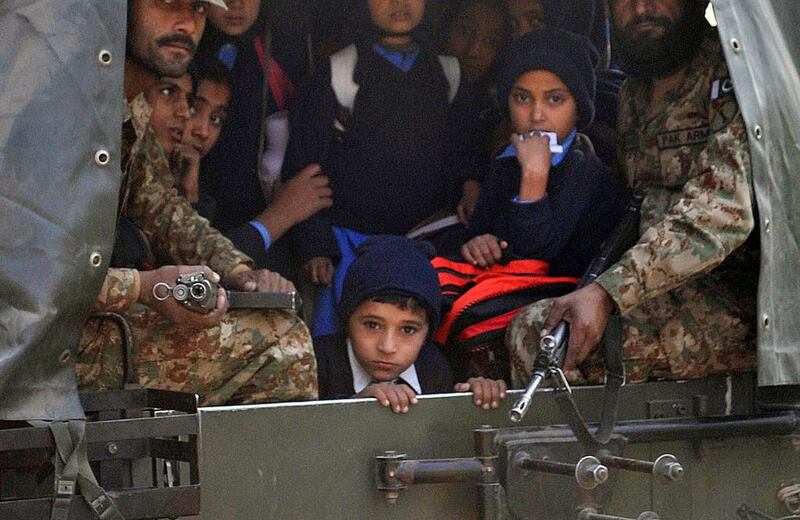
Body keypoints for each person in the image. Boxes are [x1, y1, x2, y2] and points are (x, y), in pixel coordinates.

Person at [76, 0, 318, 406]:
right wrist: (145, 287)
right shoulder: (65, 106)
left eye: (199, 8)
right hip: (36, 348)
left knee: (276, 318)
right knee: (281, 345)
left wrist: (237, 270)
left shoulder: (127, 106)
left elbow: (165, 211)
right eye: (166, 3)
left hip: (76, 329)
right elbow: (30, 275)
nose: (186, 22)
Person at [506, 0, 758, 387]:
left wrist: (607, 293)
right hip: (654, 289)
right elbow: (630, 207)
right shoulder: (634, 93)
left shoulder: (736, 73)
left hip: (738, 305)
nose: (641, 8)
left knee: (536, 336)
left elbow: (723, 214)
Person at [283, 0, 483, 337]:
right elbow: (304, 167)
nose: (400, 4)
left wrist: (471, 181)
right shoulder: (338, 73)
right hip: (348, 244)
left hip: (427, 241)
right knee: (347, 339)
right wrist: (316, 245)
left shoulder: (449, 74)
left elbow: (466, 148)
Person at [462, 27, 624, 278]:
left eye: (555, 99)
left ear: (579, 109)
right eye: (522, 98)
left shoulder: (585, 170)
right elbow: (479, 230)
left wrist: (534, 179)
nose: (537, 116)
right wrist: (480, 244)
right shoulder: (505, 159)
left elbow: (534, 255)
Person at [170, 57, 333, 273]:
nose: (203, 131)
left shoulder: (201, 181)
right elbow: (197, 272)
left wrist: (190, 194)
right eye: (193, 109)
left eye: (216, 119)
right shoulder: (136, 172)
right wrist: (282, 214)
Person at [315, 236, 507, 413]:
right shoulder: (314, 364)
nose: (387, 347)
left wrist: (476, 398)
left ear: (427, 335)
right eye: (372, 325)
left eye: (408, 330)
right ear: (347, 320)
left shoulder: (435, 367)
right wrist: (356, 407)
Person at [195, 0, 316, 280]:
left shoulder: (282, 51)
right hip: (193, 213)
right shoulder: (182, 54)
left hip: (268, 219)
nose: (236, 4)